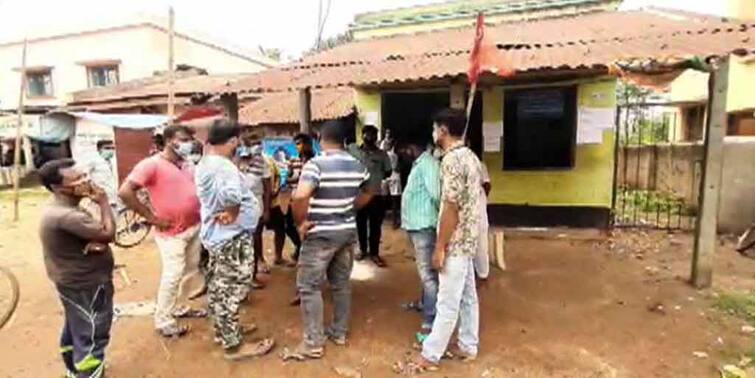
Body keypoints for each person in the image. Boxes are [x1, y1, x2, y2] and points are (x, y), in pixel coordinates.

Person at [282, 120, 373, 361]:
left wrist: (301, 223)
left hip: (321, 233)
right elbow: (372, 189)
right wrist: (352, 207)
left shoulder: (316, 164)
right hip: (346, 231)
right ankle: (339, 332)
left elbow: (300, 196)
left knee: (309, 286)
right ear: (345, 140)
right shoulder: (357, 164)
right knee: (340, 283)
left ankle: (313, 343)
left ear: (321, 138)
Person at [194, 119, 276, 360]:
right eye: (237, 141)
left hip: (219, 236)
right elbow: (231, 195)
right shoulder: (223, 166)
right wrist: (233, 212)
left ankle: (225, 331)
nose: (238, 145)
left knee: (220, 286)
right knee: (231, 287)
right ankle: (234, 345)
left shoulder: (208, 162)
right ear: (231, 141)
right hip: (229, 237)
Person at [118, 125, 204, 338]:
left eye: (189, 139)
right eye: (183, 139)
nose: (188, 143)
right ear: (168, 141)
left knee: (190, 270)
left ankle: (180, 307)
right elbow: (125, 192)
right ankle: (163, 319)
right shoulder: (151, 165)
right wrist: (151, 217)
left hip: (193, 226)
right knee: (173, 274)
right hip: (170, 232)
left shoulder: (186, 164)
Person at [413, 108, 482, 372]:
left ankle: (431, 354)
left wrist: (440, 247)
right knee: (467, 296)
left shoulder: (451, 161)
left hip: (455, 241)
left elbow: (451, 206)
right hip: (468, 239)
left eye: (434, 128)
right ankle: (467, 344)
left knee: (447, 300)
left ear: (442, 131)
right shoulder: (471, 157)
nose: (433, 133)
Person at [38, 159, 116, 378]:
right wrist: (103, 202)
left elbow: (98, 236)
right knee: (92, 334)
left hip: (70, 281)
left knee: (76, 326)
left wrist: (95, 239)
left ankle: (73, 371)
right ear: (58, 187)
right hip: (87, 284)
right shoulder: (68, 216)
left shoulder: (60, 208)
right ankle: (88, 374)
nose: (86, 181)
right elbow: (109, 233)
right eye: (78, 179)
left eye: (84, 175)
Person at [401, 142, 442, 341]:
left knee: (428, 276)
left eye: (404, 150)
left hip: (424, 227)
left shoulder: (428, 164)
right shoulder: (420, 163)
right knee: (424, 272)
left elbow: (436, 195)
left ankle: (430, 321)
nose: (403, 154)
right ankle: (424, 304)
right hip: (417, 226)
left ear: (412, 147)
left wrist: (436, 218)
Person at [348, 125, 392, 267]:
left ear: (376, 137)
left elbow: (388, 172)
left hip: (376, 195)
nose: (370, 137)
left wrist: (375, 178)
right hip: (359, 194)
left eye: (373, 134)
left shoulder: (382, 155)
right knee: (360, 224)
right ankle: (362, 250)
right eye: (367, 134)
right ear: (362, 136)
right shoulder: (354, 152)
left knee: (375, 226)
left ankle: (374, 253)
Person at [236, 129, 272, 289]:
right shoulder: (234, 161)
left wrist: (266, 210)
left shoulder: (262, 162)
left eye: (258, 143)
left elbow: (267, 188)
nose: (256, 146)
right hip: (237, 205)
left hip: (256, 203)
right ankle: (241, 275)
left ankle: (252, 273)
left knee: (255, 238)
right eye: (251, 143)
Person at [475, 162, 492, 282]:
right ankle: (481, 272)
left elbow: (487, 184)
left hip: (477, 210)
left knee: (480, 243)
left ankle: (482, 273)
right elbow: (487, 184)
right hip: (474, 209)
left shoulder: (479, 164)